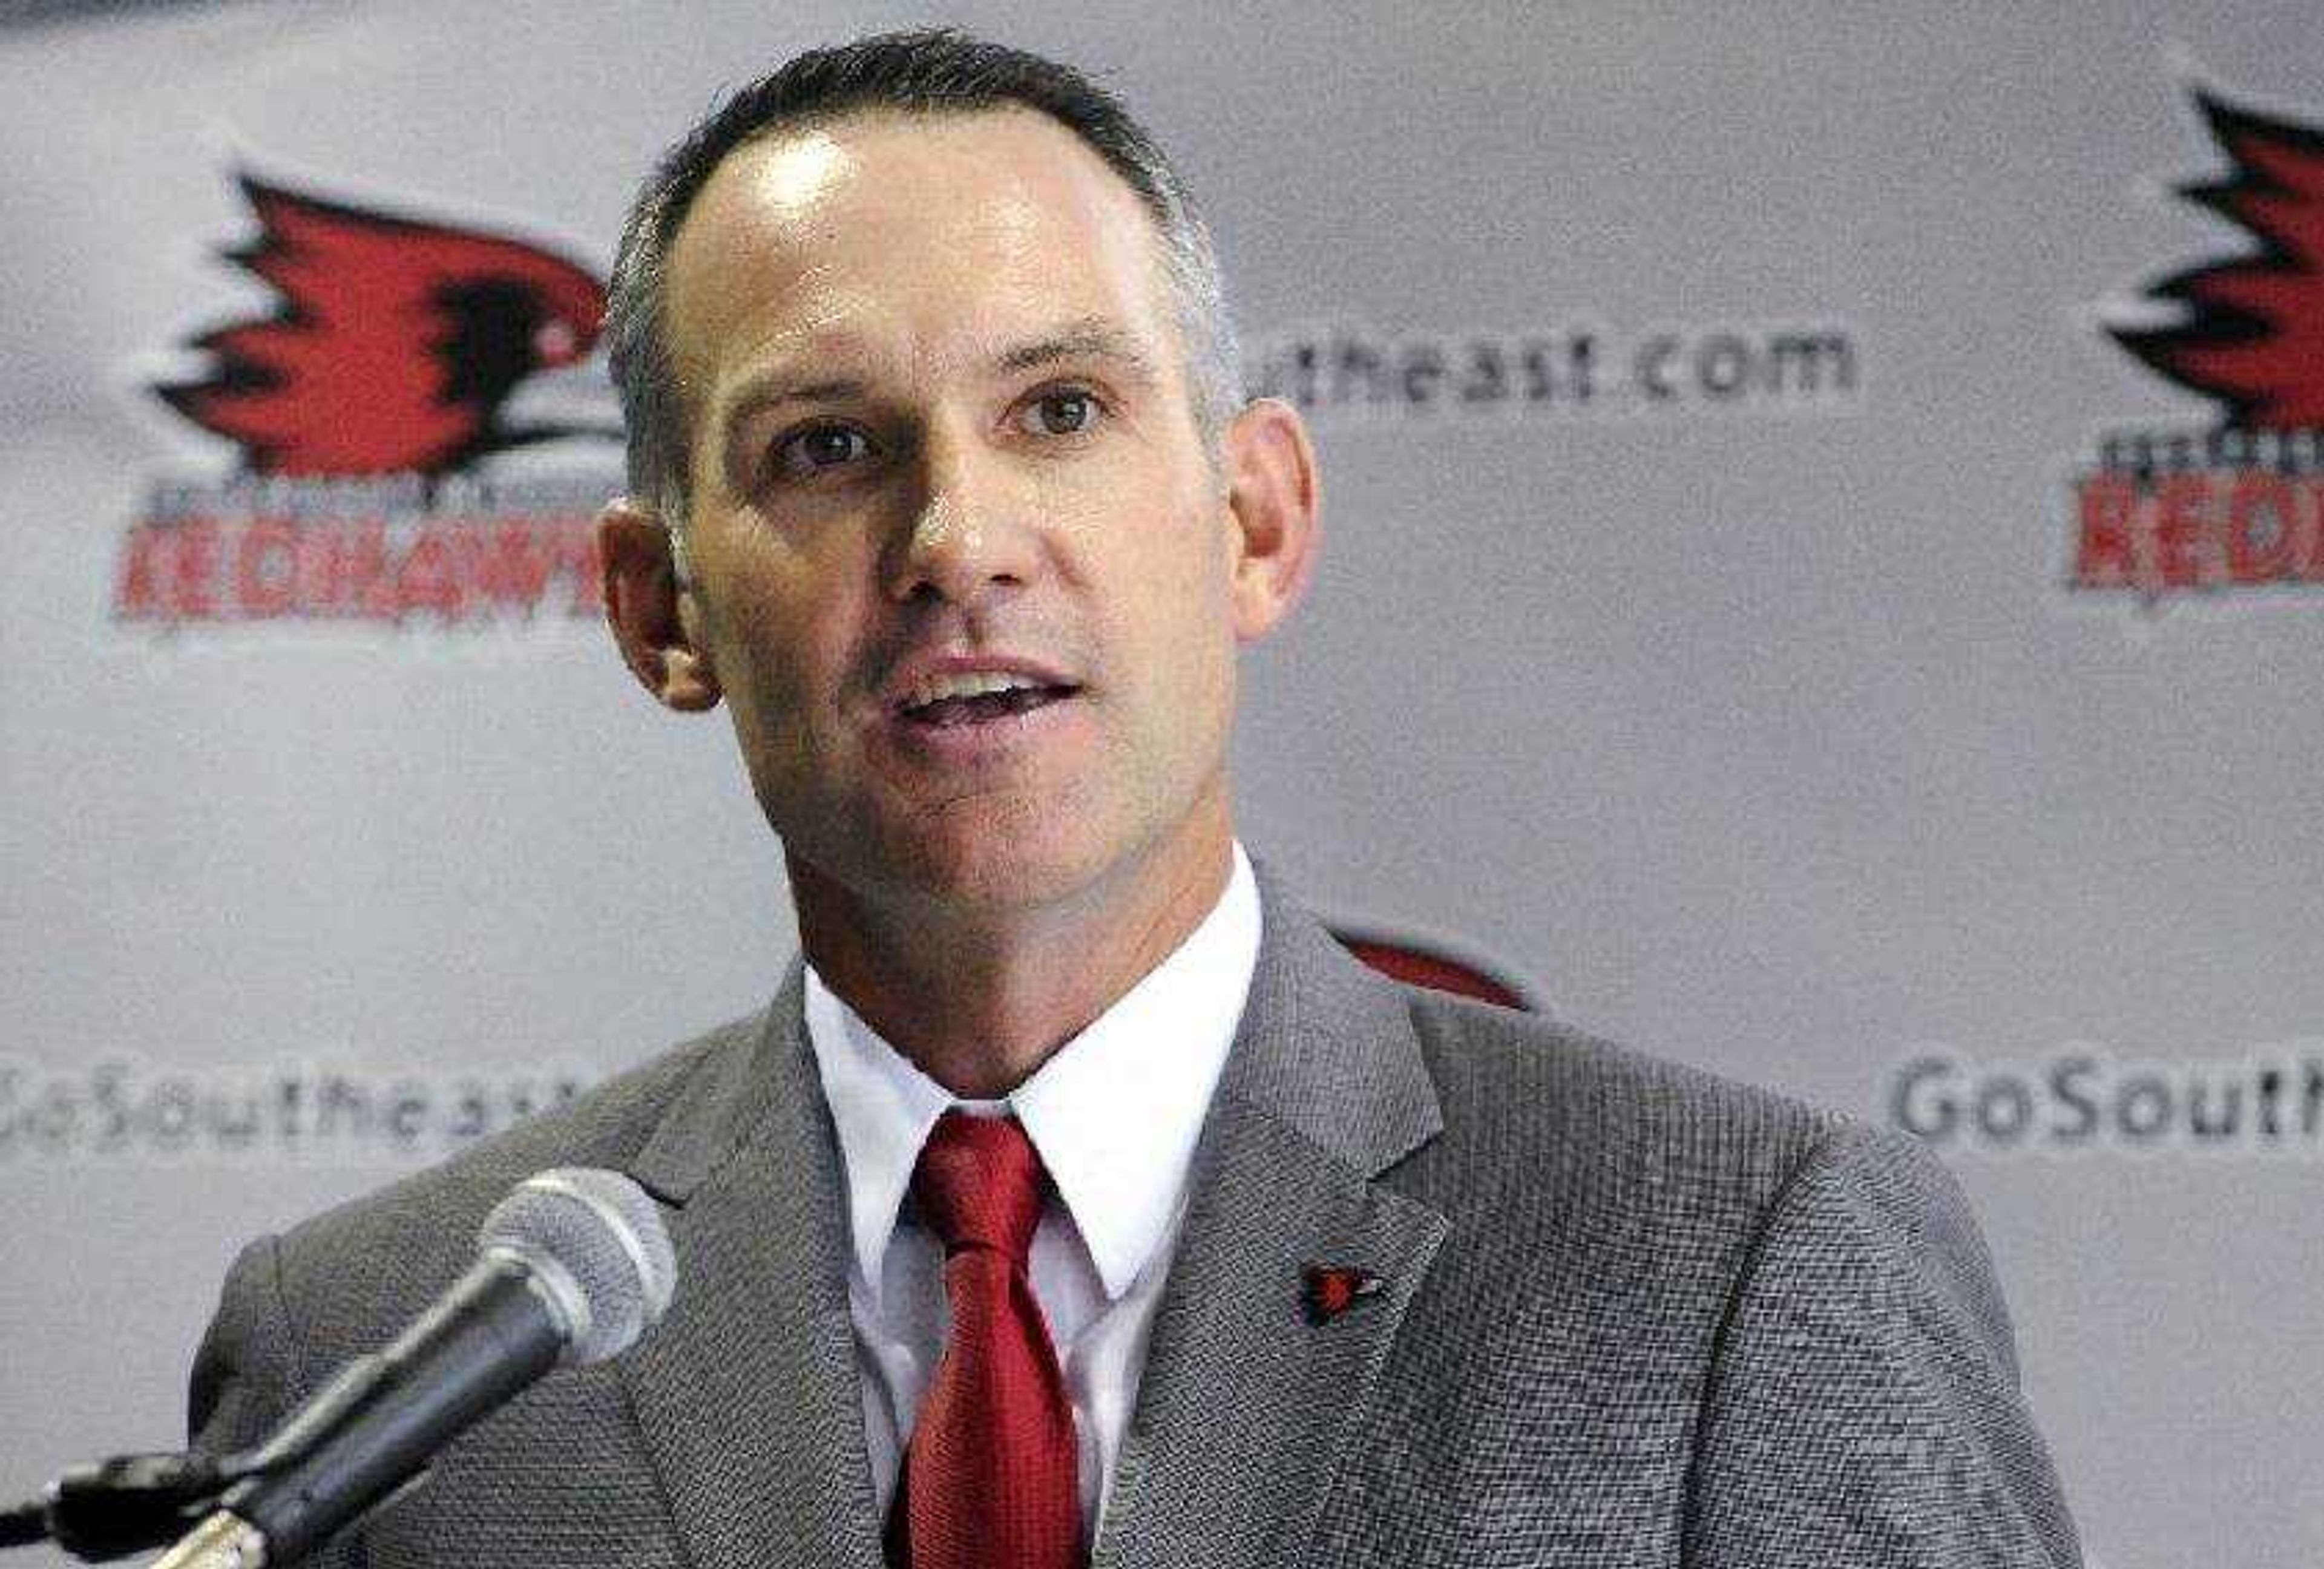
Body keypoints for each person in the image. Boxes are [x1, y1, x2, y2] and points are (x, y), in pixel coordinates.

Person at [188, 27, 2081, 1568]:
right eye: (828, 447)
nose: (958, 541)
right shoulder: (382, 1358)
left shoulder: (1737, 1263)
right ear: (659, 606)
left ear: (1252, 522)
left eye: (1061, 411)